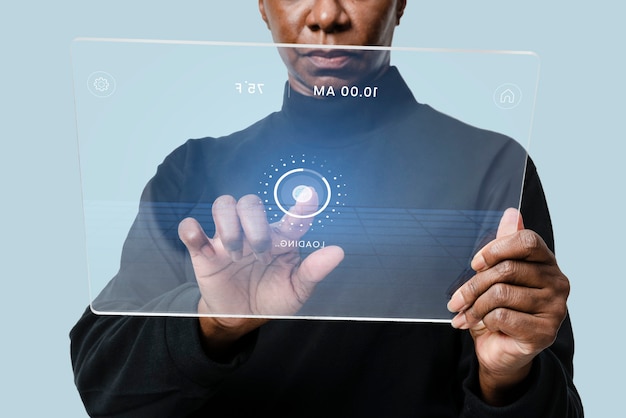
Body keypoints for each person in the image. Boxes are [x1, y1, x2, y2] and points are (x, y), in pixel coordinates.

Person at [70, 1, 583, 416]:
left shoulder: (492, 165)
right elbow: (104, 388)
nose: (325, 17)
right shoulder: (192, 169)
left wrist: (507, 377)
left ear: (401, 3)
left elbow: (557, 404)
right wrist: (211, 323)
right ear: (261, 5)